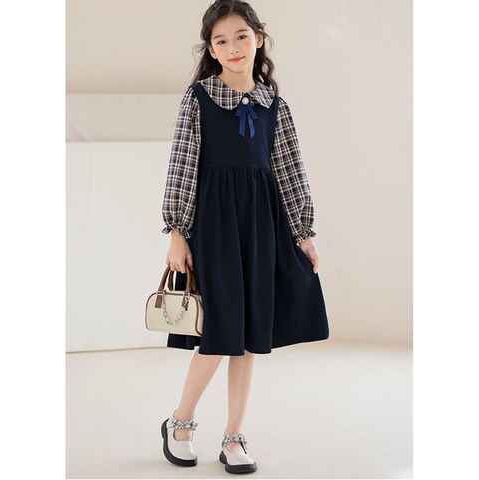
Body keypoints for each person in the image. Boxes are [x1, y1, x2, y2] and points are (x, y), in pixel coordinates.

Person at [159, 0, 329, 474]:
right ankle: (181, 423)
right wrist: (177, 233)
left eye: (241, 36)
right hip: (214, 227)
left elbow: (291, 171)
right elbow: (181, 166)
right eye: (221, 40)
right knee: (219, 333)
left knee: (251, 338)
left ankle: (233, 437)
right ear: (211, 50)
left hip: (262, 226)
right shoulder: (199, 98)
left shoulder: (275, 105)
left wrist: (303, 233)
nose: (233, 47)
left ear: (259, 39)